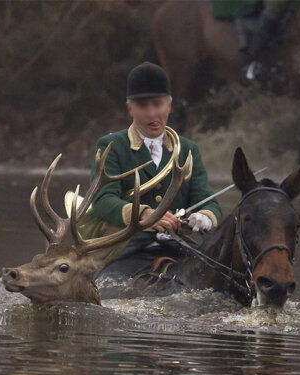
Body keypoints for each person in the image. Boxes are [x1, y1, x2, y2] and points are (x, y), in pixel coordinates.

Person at [90, 62, 222, 286]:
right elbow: (103, 200)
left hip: (182, 250)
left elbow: (209, 202)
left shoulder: (188, 149)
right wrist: (145, 214)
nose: (152, 113)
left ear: (169, 105)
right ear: (130, 109)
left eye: (158, 104)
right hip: (126, 251)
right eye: (143, 106)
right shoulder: (111, 146)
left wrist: (204, 217)